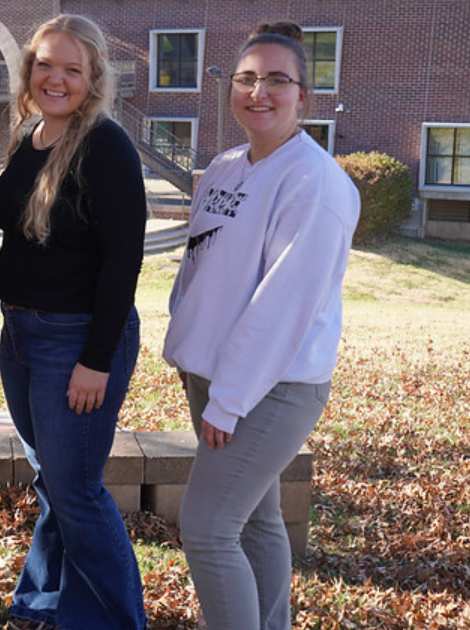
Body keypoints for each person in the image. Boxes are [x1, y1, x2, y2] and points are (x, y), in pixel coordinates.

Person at [163, 21, 360, 630]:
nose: (259, 92)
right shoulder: (224, 166)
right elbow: (202, 266)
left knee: (208, 529)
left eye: (278, 80)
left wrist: (226, 401)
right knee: (256, 521)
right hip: (214, 373)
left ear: (304, 95)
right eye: (247, 79)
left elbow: (284, 307)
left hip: (268, 386)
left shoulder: (315, 181)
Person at [0, 14, 148, 630]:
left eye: (71, 69)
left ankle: (116, 620)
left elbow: (122, 261)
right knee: (52, 481)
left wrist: (96, 359)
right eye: (45, 64)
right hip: (24, 335)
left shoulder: (105, 146)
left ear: (93, 78)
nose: (55, 78)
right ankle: (44, 603)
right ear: (29, 71)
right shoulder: (32, 134)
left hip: (75, 340)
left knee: (76, 491)